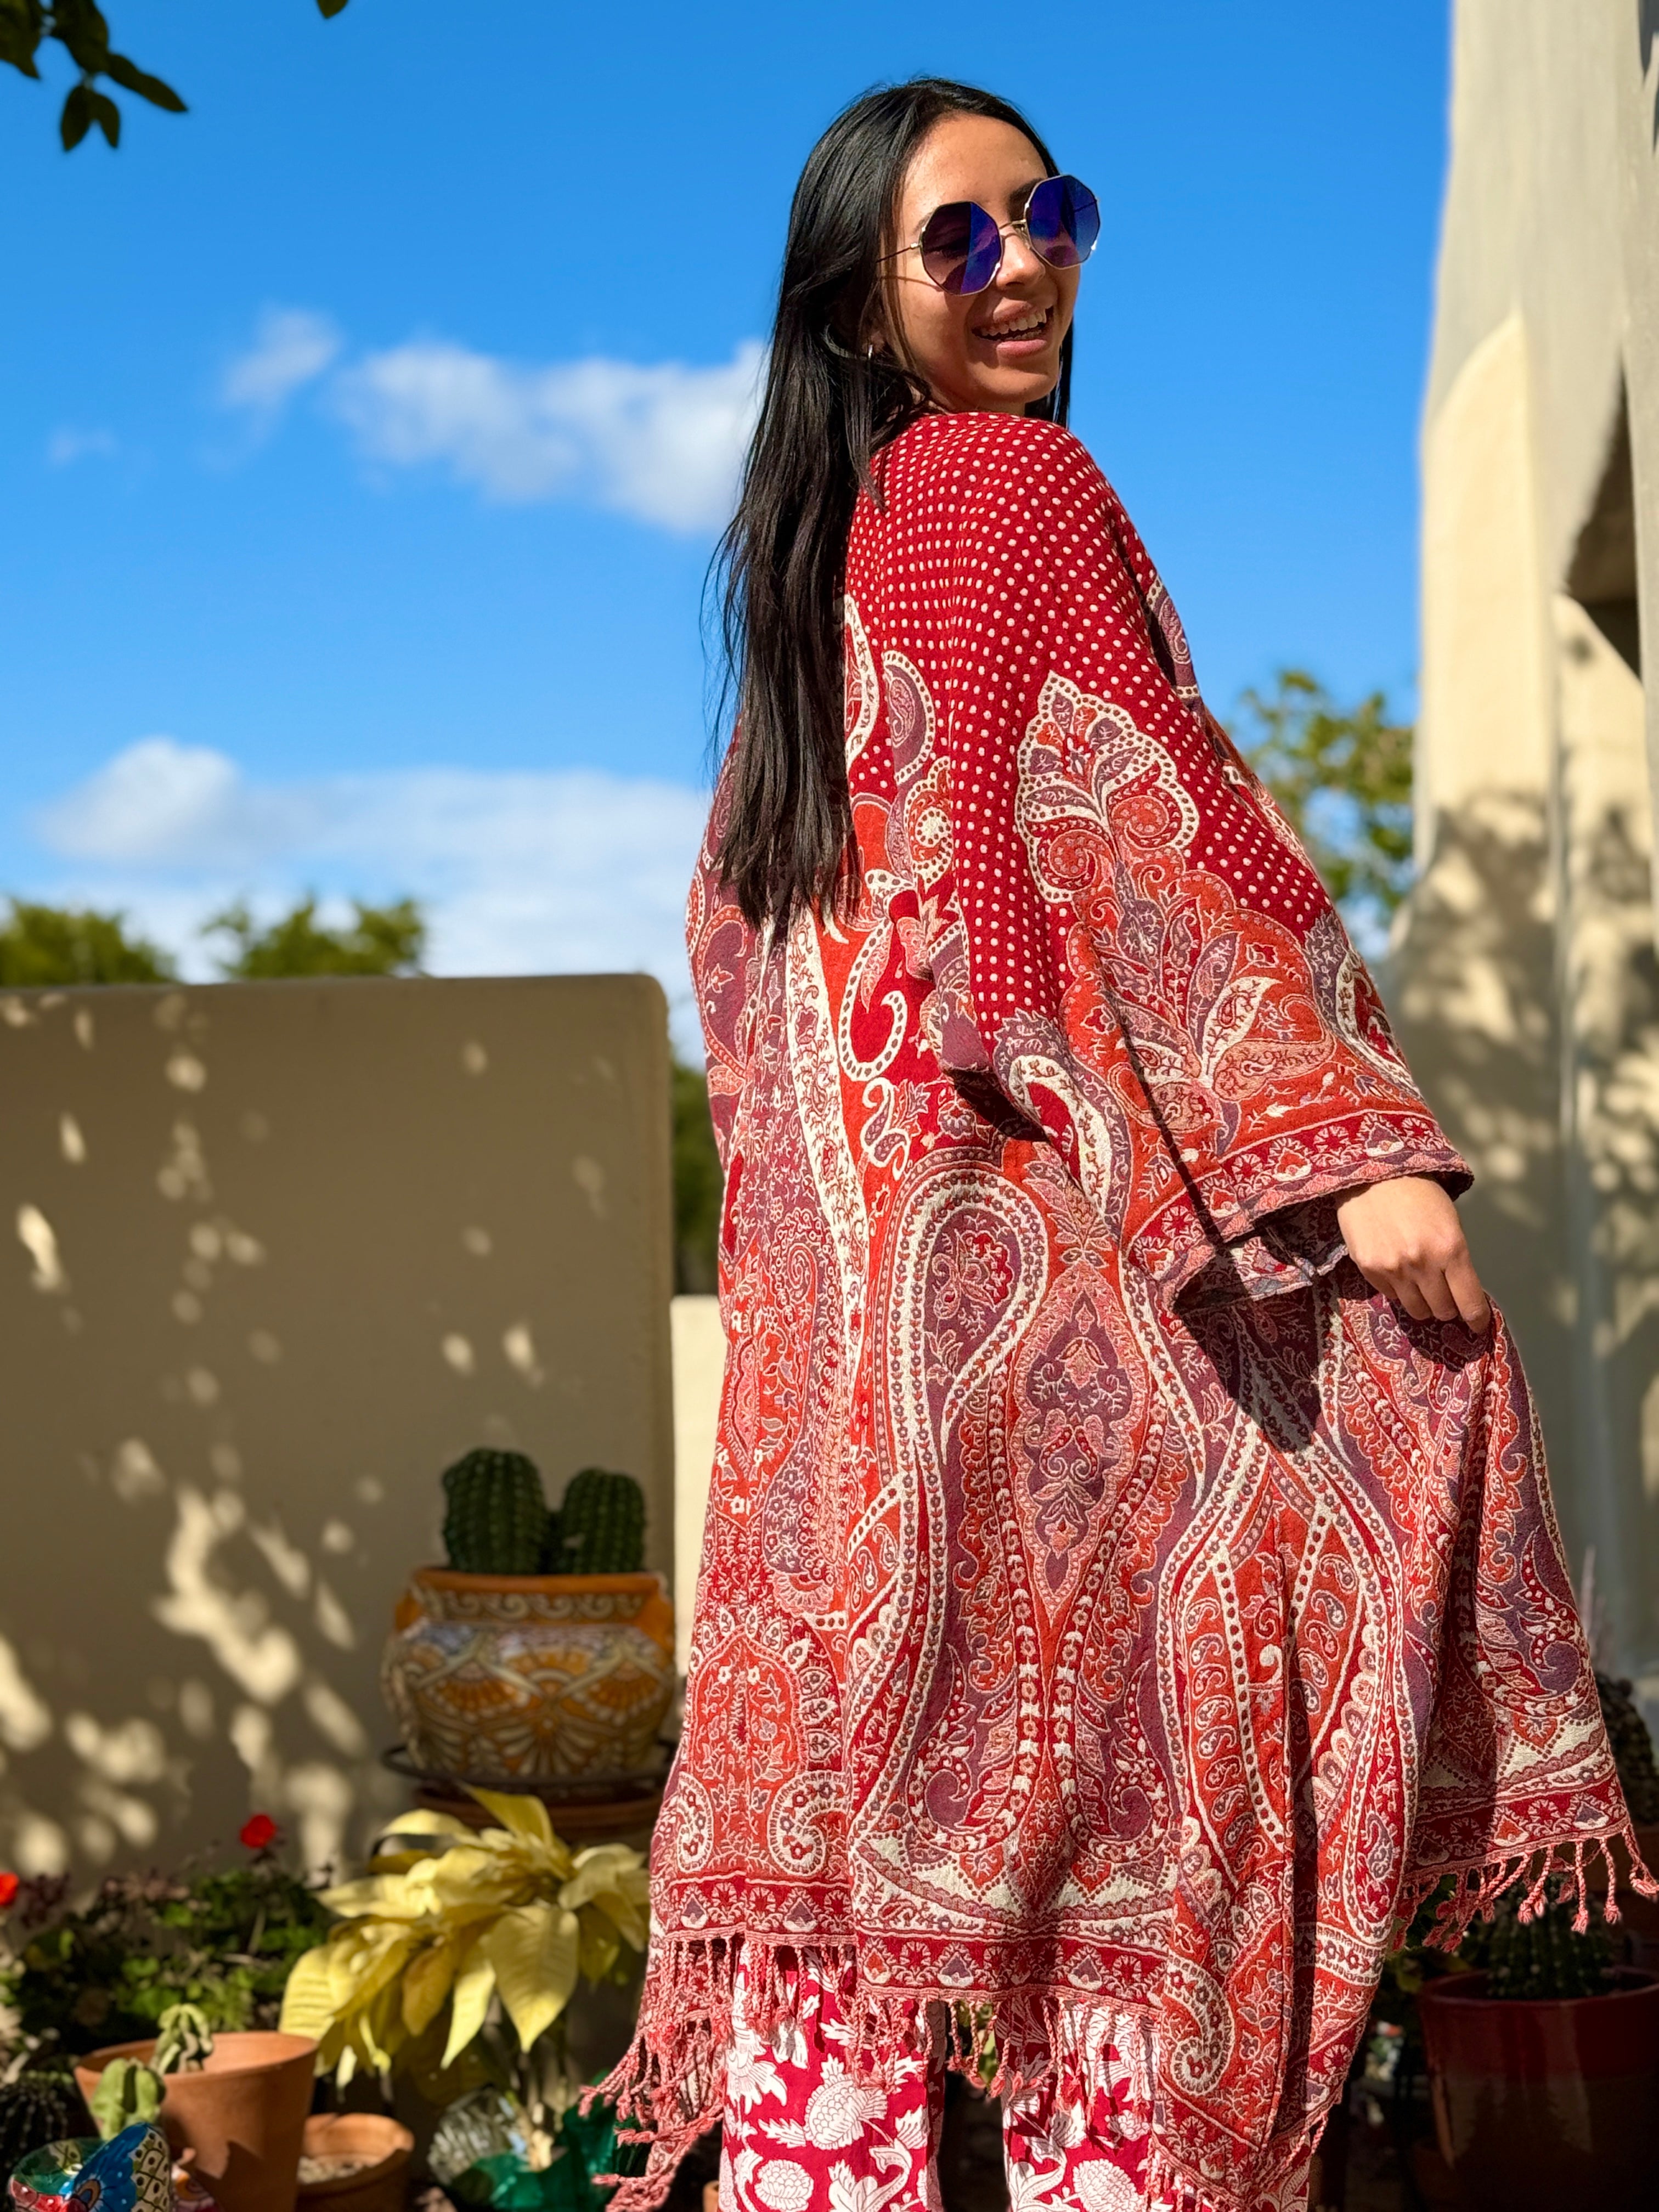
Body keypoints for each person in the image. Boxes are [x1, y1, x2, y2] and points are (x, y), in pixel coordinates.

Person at [598, 78, 1648, 2212]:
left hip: (843, 1461)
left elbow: (830, 973)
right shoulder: (1008, 491)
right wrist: (1347, 1141)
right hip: (1048, 1392)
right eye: (957, 239)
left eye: (1047, 214)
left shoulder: (804, 613)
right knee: (1127, 1938)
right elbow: (1140, 827)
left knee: (840, 1999)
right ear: (857, 305)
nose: (1024, 264)